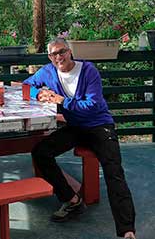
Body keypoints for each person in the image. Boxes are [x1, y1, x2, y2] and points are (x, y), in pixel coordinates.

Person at [23, 38, 137, 239]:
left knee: (114, 173)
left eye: (62, 52)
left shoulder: (88, 71)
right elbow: (26, 85)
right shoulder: (48, 71)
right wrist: (39, 92)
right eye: (54, 54)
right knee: (41, 152)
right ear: (49, 57)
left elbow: (91, 105)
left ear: (70, 51)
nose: (59, 57)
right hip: (74, 127)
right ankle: (71, 199)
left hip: (98, 126)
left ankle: (127, 230)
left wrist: (62, 101)